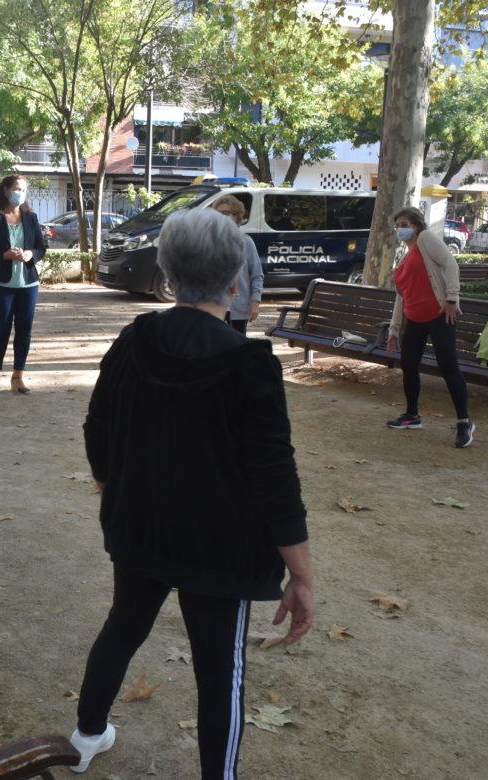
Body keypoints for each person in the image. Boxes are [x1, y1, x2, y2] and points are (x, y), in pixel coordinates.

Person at [69, 207, 314, 777]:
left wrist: (115, 488)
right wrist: (300, 572)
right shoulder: (249, 362)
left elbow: (96, 428)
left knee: (123, 626)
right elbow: (275, 475)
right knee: (218, 670)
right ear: (235, 281)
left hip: (142, 526)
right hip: (219, 545)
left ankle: (85, 736)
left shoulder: (135, 339)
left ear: (167, 271)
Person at [385, 206, 475, 448]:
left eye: (406, 224)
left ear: (417, 225)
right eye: (398, 225)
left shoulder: (425, 240)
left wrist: (452, 299)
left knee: (448, 366)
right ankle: (412, 415)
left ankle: (464, 422)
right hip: (414, 318)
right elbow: (401, 296)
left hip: (438, 315)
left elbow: (450, 264)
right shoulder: (405, 255)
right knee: (409, 364)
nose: (401, 229)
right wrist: (394, 329)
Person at [0, 174, 48, 393]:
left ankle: (18, 377)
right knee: (1, 330)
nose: (20, 193)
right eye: (17, 188)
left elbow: (42, 247)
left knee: (24, 330)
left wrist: (30, 254)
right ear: (6, 189)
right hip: (0, 284)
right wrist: (4, 255)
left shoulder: (31, 217)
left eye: (24, 190)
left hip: (28, 284)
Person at [211, 194, 264, 333]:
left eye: (226, 213)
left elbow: (257, 275)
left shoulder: (246, 242)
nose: (221, 217)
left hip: (239, 307)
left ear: (237, 216)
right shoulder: (207, 241)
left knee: (237, 347)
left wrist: (255, 302)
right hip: (213, 306)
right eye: (218, 213)